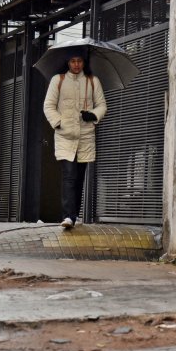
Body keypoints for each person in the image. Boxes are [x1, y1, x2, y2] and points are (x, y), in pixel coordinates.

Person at [43, 48, 107, 229]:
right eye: (73, 61)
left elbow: (102, 105)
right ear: (68, 63)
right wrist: (58, 122)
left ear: (84, 63)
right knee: (69, 176)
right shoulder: (58, 80)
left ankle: (74, 214)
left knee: (79, 178)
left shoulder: (93, 81)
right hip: (65, 137)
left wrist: (93, 115)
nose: (76, 65)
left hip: (86, 137)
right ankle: (68, 216)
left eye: (79, 61)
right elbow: (48, 106)